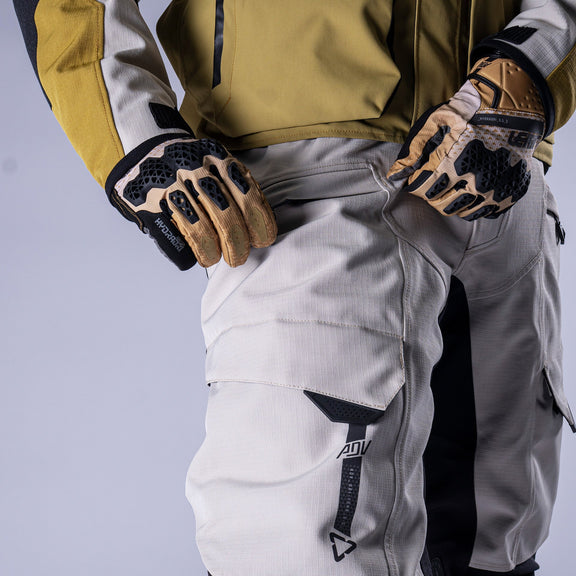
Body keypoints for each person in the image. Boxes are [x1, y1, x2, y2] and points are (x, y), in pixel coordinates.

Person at [13, 1, 576, 575]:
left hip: (500, 172)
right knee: (300, 553)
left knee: (494, 552)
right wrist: (140, 131)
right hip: (311, 183)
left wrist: (530, 68)